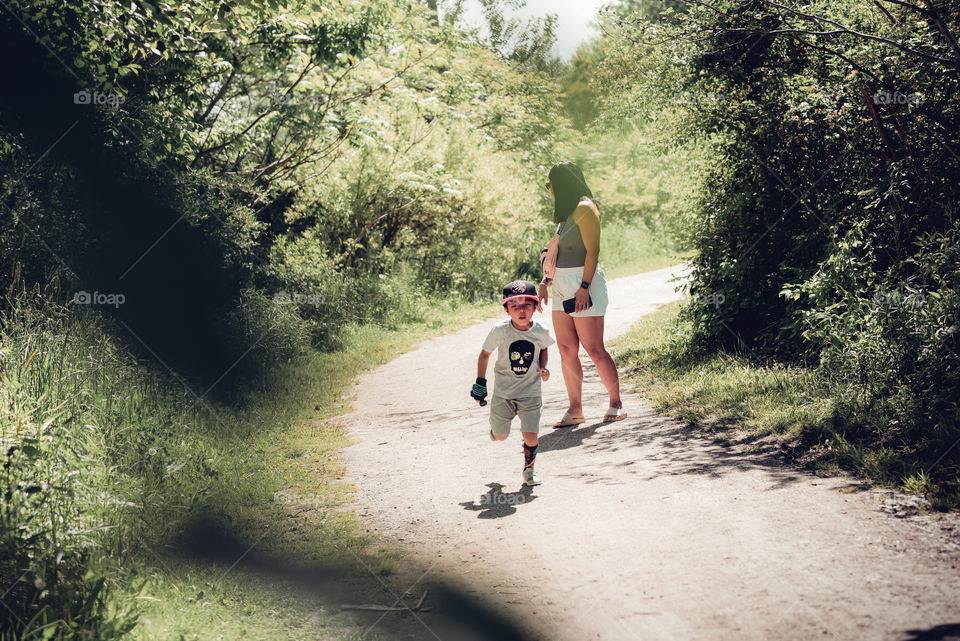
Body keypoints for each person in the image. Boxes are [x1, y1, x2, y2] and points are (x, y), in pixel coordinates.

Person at [537, 161, 626, 427]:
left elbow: (592, 251)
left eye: (550, 184)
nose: (549, 189)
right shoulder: (566, 215)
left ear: (562, 184)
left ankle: (616, 403)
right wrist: (545, 281)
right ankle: (575, 409)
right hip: (561, 283)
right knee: (566, 350)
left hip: (582, 282)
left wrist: (584, 288)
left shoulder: (586, 208)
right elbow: (557, 252)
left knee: (594, 348)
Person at [470, 280, 554, 486]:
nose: (521, 310)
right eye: (514, 306)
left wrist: (543, 367)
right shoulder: (500, 330)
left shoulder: (541, 331)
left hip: (531, 393)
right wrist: (480, 382)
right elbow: (484, 354)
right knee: (500, 436)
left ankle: (529, 470)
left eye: (527, 304)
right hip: (503, 393)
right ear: (507, 310)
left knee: (531, 436)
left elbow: (543, 348)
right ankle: (496, 431)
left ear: (536, 307)